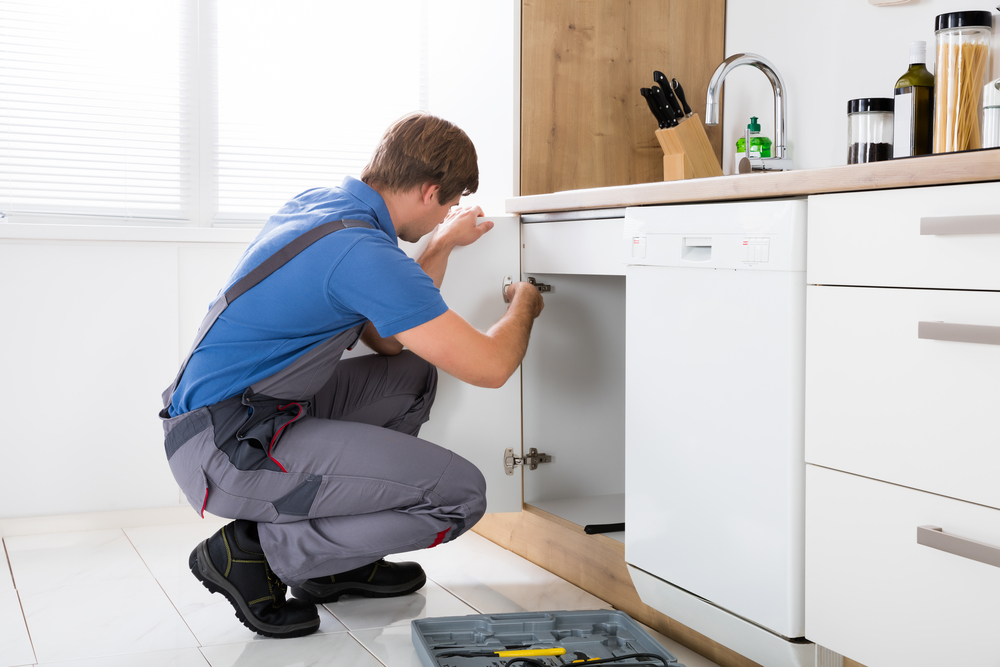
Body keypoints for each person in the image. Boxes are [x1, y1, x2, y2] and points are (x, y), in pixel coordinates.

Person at [158, 112, 544, 638]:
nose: (445, 216)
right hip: (231, 448)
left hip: (233, 416)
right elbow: (492, 366)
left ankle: (336, 565)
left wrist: (442, 245)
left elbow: (387, 341)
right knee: (461, 497)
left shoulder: (325, 208)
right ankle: (258, 554)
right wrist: (525, 303)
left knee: (410, 376)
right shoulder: (362, 252)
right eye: (449, 205)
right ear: (430, 192)